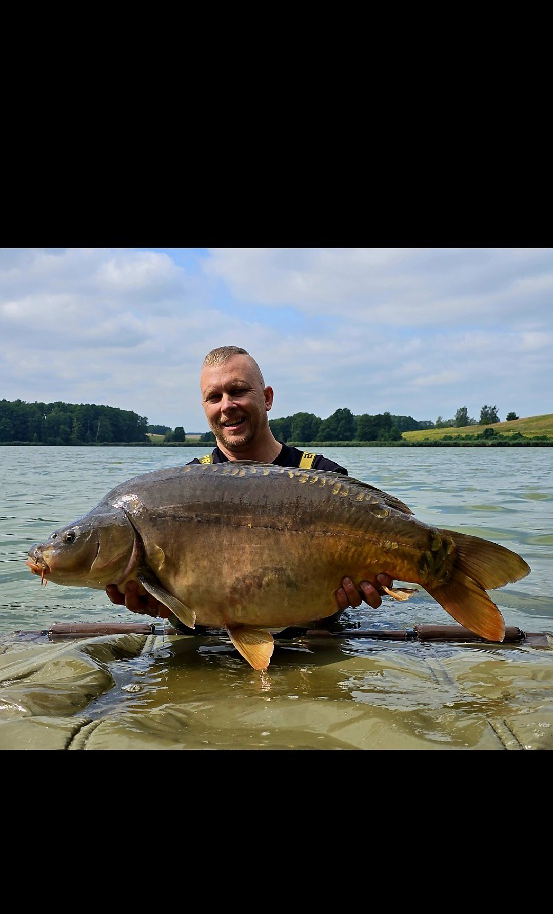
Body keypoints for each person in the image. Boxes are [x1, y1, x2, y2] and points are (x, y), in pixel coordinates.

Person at [106, 346, 393, 624]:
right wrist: (160, 605)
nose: (227, 406)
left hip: (312, 646)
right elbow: (183, 603)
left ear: (267, 398)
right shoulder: (186, 485)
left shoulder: (322, 477)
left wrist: (356, 592)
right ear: (205, 407)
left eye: (238, 391)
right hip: (212, 650)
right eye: (214, 397)